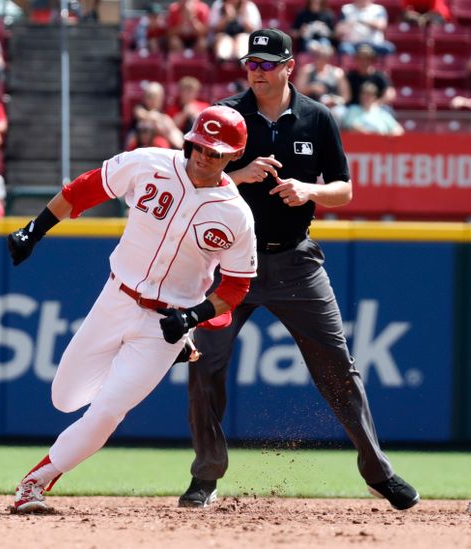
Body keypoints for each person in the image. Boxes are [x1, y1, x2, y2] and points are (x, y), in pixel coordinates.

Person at [177, 28, 419, 512]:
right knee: (206, 367)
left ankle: (378, 472)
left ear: (290, 67)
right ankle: (206, 476)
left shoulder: (316, 117)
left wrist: (309, 191)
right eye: (252, 63)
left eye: (268, 63)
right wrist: (235, 175)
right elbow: (190, 178)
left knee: (337, 369)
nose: (258, 71)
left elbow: (345, 189)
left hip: (295, 260)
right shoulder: (224, 115)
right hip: (228, 264)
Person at [8, 105, 258, 513]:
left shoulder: (236, 215)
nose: (202, 156)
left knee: (108, 410)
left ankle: (35, 482)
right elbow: (86, 188)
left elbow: (236, 286)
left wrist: (193, 317)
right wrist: (34, 230)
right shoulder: (149, 163)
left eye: (214, 152)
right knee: (65, 397)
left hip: (166, 326)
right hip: (116, 298)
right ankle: (122, 380)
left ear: (233, 155)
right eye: (197, 145)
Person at [294, 41, 350, 120]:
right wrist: (311, 88)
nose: (319, 58)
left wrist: (335, 101)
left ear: (329, 58)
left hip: (332, 108)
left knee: (339, 113)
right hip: (310, 104)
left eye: (323, 56)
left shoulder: (337, 73)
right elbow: (297, 92)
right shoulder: (306, 71)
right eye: (317, 56)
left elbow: (346, 96)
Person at [132, 81, 184, 148]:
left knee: (169, 127)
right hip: (138, 138)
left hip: (159, 138)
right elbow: (141, 114)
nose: (152, 100)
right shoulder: (140, 108)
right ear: (145, 97)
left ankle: (182, 146)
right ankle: (180, 147)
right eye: (149, 96)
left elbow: (170, 126)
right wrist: (156, 117)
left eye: (156, 97)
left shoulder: (161, 113)